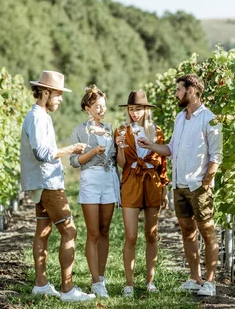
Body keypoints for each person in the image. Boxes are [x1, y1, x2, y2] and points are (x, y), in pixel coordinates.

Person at [137, 74, 223, 297]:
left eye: (179, 90)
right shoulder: (179, 118)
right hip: (180, 185)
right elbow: (171, 149)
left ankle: (210, 282)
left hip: (198, 186)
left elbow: (216, 156)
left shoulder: (209, 119)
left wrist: (206, 182)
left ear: (192, 91)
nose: (176, 94)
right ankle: (195, 278)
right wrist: (151, 145)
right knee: (187, 231)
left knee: (207, 231)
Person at [20, 70, 96, 302]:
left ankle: (41, 284)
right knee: (69, 231)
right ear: (45, 92)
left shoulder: (39, 115)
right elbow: (43, 154)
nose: (61, 99)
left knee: (43, 231)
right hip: (48, 183)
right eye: (58, 94)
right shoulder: (37, 117)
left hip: (43, 182)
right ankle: (68, 289)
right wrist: (71, 149)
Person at [114, 90, 169, 298]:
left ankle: (150, 281)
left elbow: (162, 164)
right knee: (131, 235)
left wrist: (164, 189)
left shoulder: (156, 131)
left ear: (146, 110)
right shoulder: (121, 130)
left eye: (138, 109)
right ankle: (129, 283)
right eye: (131, 109)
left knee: (151, 234)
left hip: (152, 181)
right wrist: (120, 148)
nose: (134, 113)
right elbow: (120, 164)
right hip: (130, 181)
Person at [69, 85, 120, 298]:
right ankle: (95, 281)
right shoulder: (79, 131)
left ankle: (102, 276)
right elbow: (74, 162)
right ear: (87, 108)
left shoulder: (109, 129)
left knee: (105, 230)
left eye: (104, 106)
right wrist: (91, 152)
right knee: (93, 233)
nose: (101, 110)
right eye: (97, 106)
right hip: (90, 180)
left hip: (109, 179)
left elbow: (117, 159)